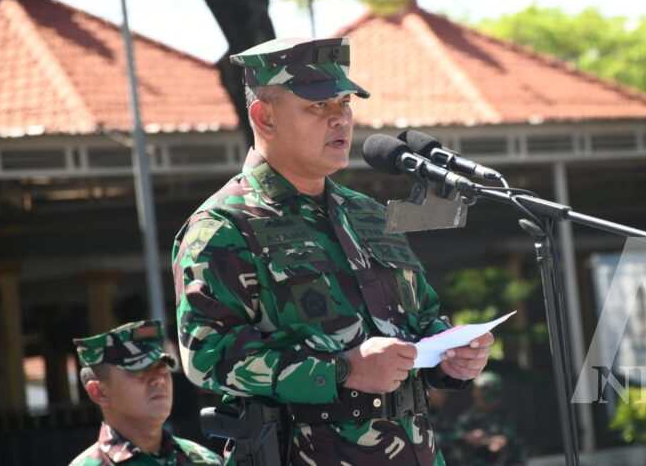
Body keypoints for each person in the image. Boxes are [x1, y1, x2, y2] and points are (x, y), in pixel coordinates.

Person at [171, 36, 494, 465]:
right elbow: (208, 358)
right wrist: (342, 369)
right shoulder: (223, 227)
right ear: (264, 116)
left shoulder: (367, 215)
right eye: (317, 106)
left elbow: (420, 319)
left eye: (344, 102)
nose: (340, 119)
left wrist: (451, 353)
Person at [69, 320, 223, 466]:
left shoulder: (208, 461)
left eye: (162, 368)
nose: (159, 380)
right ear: (99, 393)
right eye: (140, 371)